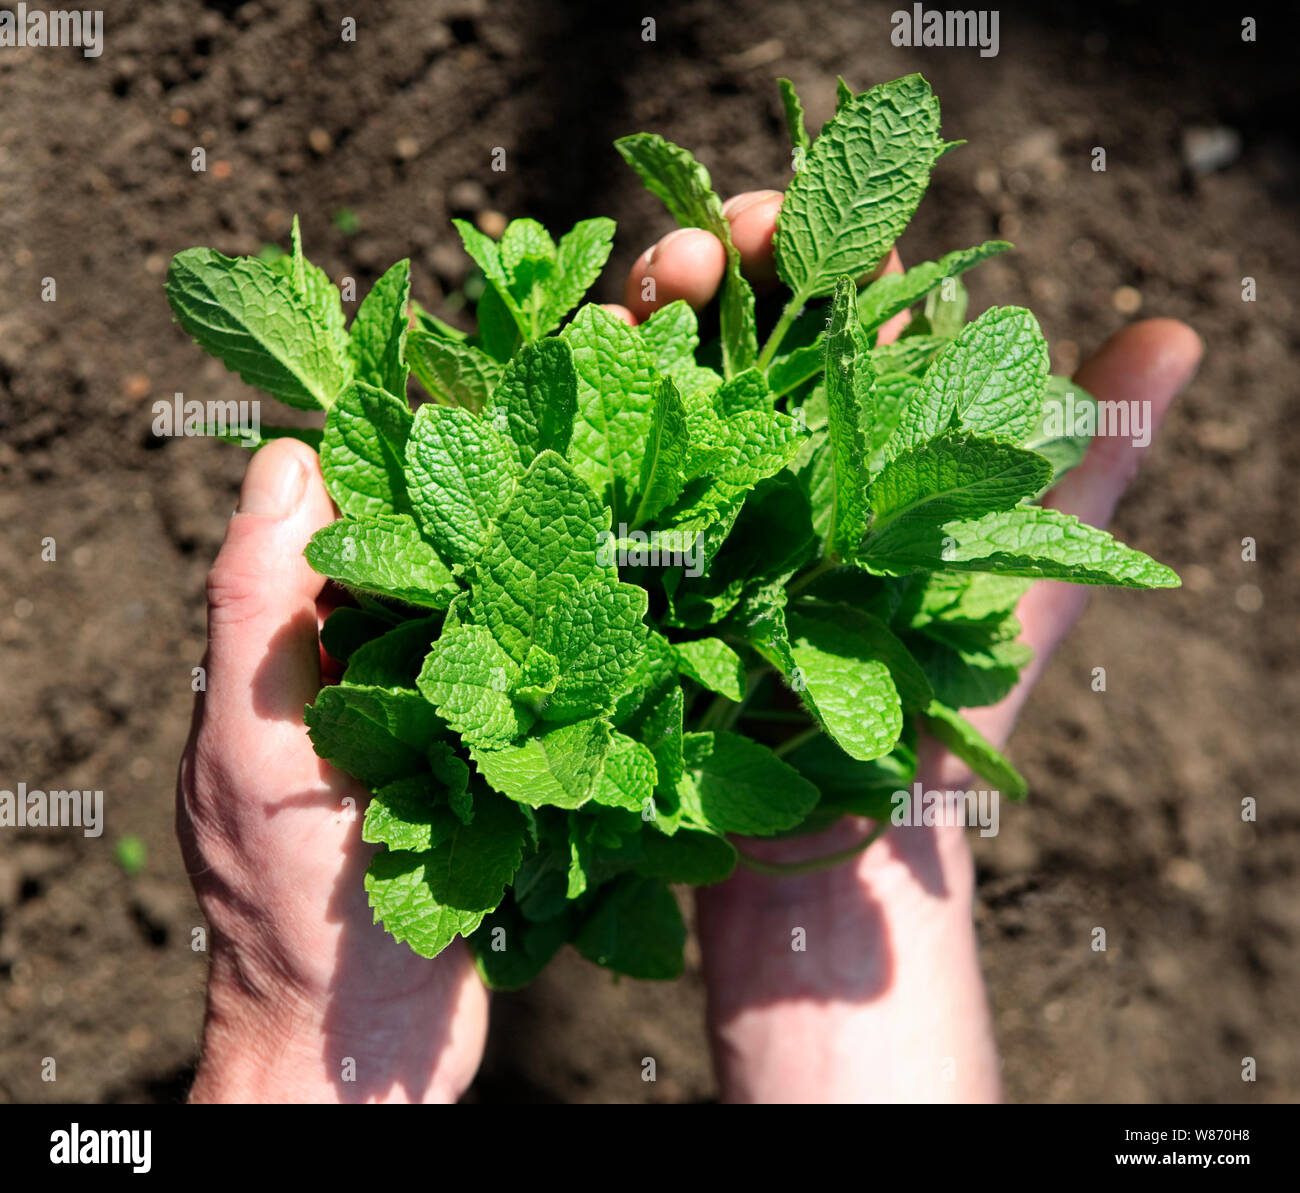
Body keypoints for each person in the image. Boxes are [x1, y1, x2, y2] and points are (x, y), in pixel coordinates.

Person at [177, 190, 1202, 1103]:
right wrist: (304, 1019)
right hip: (539, 701)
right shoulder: (538, 666)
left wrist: (296, 1044)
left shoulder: (621, 672)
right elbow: (529, 606)